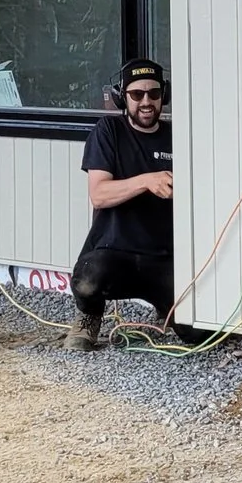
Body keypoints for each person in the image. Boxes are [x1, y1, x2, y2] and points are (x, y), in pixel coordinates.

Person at [66, 59, 182, 351]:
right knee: (89, 279)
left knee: (197, 333)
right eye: (137, 94)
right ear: (122, 97)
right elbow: (99, 194)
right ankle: (89, 315)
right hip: (114, 252)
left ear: (164, 96)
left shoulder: (178, 136)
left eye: (154, 94)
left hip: (164, 257)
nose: (146, 102)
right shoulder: (109, 130)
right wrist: (146, 181)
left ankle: (166, 311)